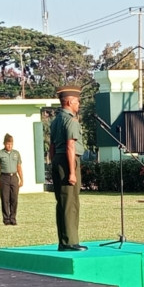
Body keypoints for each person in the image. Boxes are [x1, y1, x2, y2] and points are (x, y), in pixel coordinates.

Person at [49, 84, 87, 251]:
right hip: (68, 161)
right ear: (70, 102)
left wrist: (52, 164)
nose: (78, 105)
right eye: (77, 102)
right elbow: (70, 146)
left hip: (58, 160)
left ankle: (64, 240)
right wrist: (72, 172)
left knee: (63, 202)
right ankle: (70, 241)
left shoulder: (56, 120)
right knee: (70, 202)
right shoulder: (70, 120)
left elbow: (51, 146)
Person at [0, 133, 24, 225]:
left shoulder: (16, 153)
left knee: (14, 199)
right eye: (7, 144)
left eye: (11, 144)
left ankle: (13, 218)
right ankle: (6, 219)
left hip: (14, 177)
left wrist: (22, 179)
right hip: (4, 178)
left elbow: (19, 167)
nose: (9, 146)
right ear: (4, 143)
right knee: (5, 199)